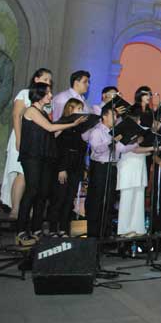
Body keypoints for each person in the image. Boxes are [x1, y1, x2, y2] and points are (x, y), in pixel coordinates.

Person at [16, 83, 86, 246]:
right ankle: (20, 230)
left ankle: (36, 229)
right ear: (39, 94)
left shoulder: (43, 112)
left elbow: (52, 133)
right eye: (47, 93)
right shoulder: (31, 110)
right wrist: (72, 123)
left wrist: (67, 126)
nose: (50, 96)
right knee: (32, 190)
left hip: (45, 157)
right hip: (32, 156)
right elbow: (49, 127)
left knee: (42, 193)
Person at [0, 68, 52, 219]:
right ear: (36, 79)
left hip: (37, 143)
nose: (48, 83)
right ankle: (16, 208)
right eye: (45, 79)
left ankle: (26, 207)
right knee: (22, 174)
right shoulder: (24, 93)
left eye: (50, 81)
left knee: (32, 177)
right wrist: (19, 139)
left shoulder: (47, 99)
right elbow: (16, 116)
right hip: (22, 137)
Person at [87, 106, 137, 238]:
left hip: (112, 167)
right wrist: (112, 140)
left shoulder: (114, 132)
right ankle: (94, 235)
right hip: (100, 167)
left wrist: (137, 142)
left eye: (116, 116)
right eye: (113, 116)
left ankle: (106, 233)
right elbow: (97, 149)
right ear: (104, 116)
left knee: (110, 200)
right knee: (97, 200)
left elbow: (122, 149)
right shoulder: (97, 131)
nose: (116, 119)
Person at [47, 98, 88, 237]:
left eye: (81, 109)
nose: (81, 112)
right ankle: (53, 229)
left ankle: (64, 228)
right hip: (63, 165)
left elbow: (82, 149)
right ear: (70, 109)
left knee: (69, 199)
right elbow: (59, 148)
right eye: (78, 109)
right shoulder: (62, 124)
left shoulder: (80, 129)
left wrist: (83, 169)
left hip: (76, 166)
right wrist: (61, 168)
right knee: (59, 198)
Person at [116, 110, 155, 237]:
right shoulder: (124, 133)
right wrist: (150, 148)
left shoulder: (140, 133)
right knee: (127, 198)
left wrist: (148, 150)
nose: (139, 122)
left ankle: (138, 227)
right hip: (128, 166)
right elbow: (132, 149)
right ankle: (124, 229)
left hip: (139, 165)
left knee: (138, 197)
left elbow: (139, 149)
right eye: (137, 121)